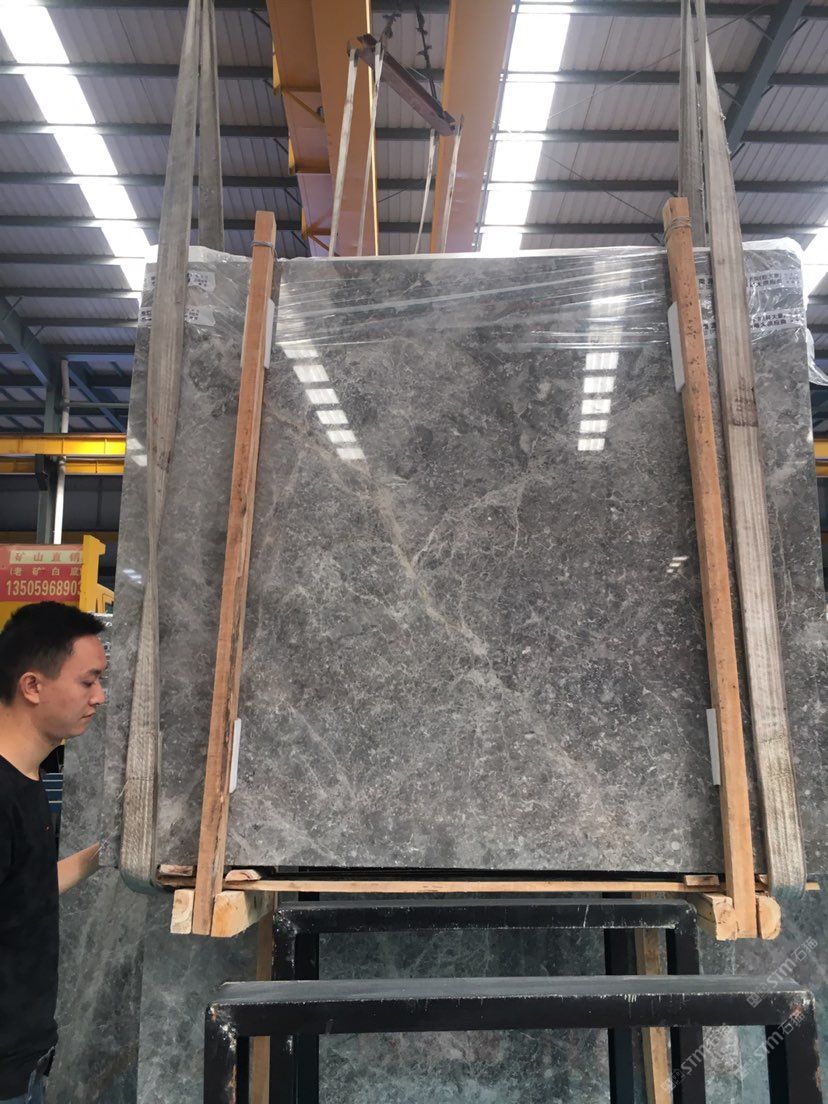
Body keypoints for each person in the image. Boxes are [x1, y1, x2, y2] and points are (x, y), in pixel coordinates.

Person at [0, 602, 106, 1104]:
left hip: (24, 1062)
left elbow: (25, 890)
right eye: (88, 681)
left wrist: (105, 854)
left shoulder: (28, 777)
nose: (99, 696)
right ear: (32, 686)